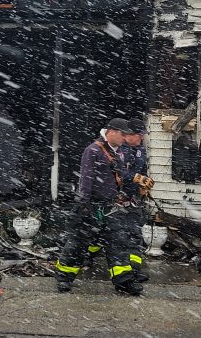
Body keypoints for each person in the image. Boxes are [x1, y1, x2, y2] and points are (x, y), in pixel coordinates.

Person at [53, 118, 143, 296]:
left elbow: (118, 176)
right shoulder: (93, 150)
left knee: (119, 243)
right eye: (123, 134)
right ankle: (64, 277)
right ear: (112, 132)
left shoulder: (119, 152)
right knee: (77, 244)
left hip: (110, 207)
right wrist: (83, 205)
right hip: (91, 205)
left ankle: (124, 282)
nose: (125, 138)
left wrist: (133, 183)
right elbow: (86, 179)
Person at [121, 118, 154, 282]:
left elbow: (143, 170)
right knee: (109, 235)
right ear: (129, 134)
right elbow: (117, 173)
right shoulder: (119, 149)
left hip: (133, 200)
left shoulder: (141, 149)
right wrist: (133, 177)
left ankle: (134, 270)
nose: (142, 138)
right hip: (116, 199)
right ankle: (87, 259)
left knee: (135, 234)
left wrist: (144, 183)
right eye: (139, 135)